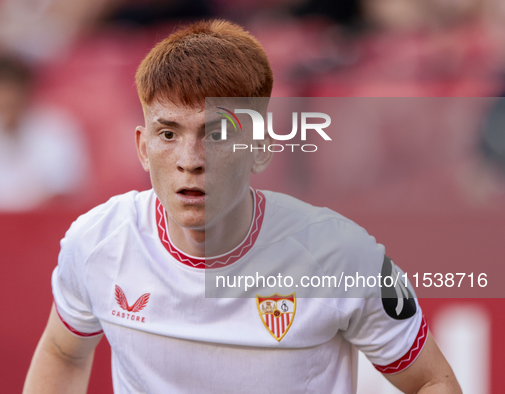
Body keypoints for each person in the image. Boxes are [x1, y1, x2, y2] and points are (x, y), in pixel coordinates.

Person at [23, 20, 461, 393]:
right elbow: (62, 350)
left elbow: (432, 381)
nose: (190, 161)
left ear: (261, 148)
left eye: (216, 134)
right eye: (169, 134)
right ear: (142, 146)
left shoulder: (342, 257)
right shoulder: (98, 242)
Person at [0, 55, 89, 211]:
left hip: (43, 225)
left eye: (11, 92)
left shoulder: (57, 130)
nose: (4, 100)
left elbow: (65, 193)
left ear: (26, 91)